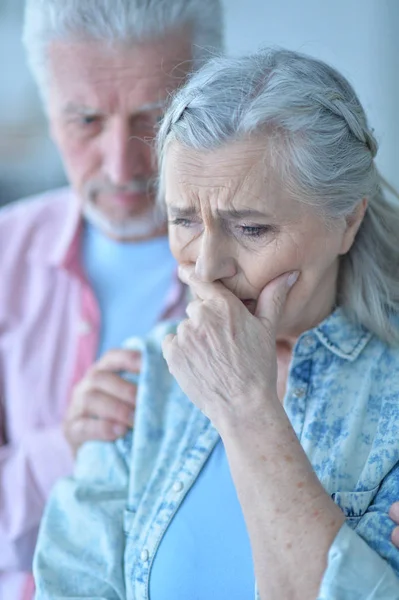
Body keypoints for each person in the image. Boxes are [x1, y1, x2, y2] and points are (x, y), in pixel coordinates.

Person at [33, 48, 399, 599]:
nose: (207, 267)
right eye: (184, 221)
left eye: (251, 228)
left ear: (347, 220)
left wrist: (247, 407)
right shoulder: (142, 379)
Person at [0, 1, 223, 598]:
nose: (123, 165)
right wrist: (65, 449)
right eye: (87, 121)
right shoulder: (3, 260)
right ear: (50, 115)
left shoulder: (283, 271)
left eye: (155, 117)